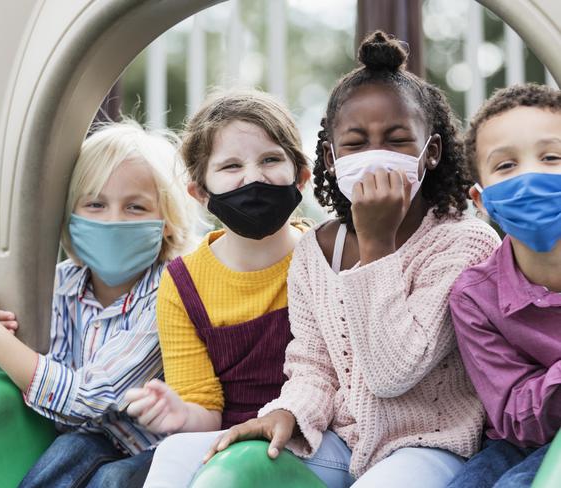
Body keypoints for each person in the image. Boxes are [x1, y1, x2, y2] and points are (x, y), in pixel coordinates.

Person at [204, 31, 501, 488]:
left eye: (397, 140)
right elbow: (313, 366)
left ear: (432, 152)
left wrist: (377, 244)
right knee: (210, 463)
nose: (376, 156)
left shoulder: (466, 244)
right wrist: (288, 411)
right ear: (331, 156)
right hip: (341, 442)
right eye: (356, 143)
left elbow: (393, 372)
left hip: (429, 447)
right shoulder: (315, 251)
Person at [124, 89, 355, 487]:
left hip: (318, 437)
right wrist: (180, 413)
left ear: (301, 177)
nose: (253, 178)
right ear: (200, 192)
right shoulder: (183, 284)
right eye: (231, 166)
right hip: (228, 439)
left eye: (270, 160)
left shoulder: (330, 255)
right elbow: (205, 412)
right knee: (173, 453)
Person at [0, 120, 196, 488]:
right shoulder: (62, 285)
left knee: (110, 478)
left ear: (166, 222)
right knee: (69, 450)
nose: (113, 220)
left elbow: (90, 397)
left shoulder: (170, 291)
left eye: (135, 207)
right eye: (96, 204)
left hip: (155, 449)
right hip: (87, 440)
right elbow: (61, 406)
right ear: (71, 216)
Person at [446, 83, 561, 488]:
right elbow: (515, 418)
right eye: (506, 166)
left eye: (551, 157)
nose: (530, 174)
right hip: (523, 442)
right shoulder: (475, 296)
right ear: (480, 199)